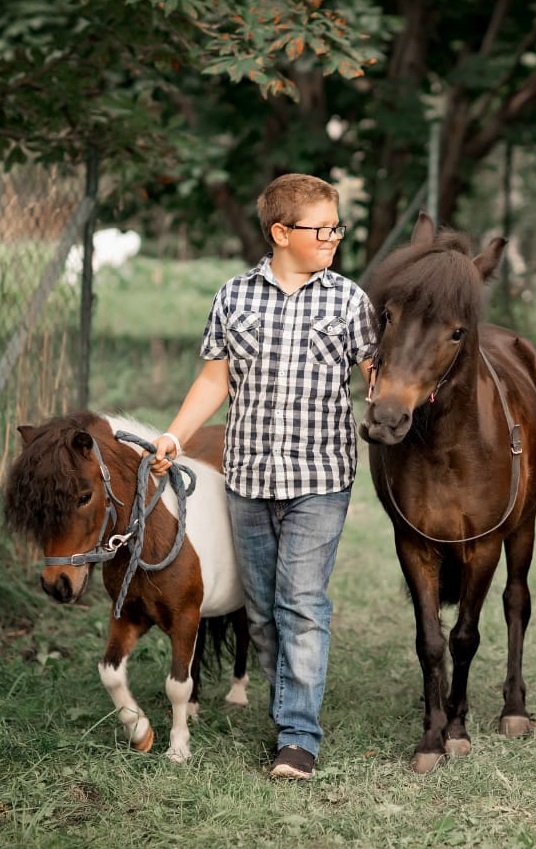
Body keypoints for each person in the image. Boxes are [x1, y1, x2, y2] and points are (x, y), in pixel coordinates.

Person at [150, 173, 377, 780]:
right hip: (247, 479)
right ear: (281, 232)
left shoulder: (350, 301)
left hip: (321, 477)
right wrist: (174, 433)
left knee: (301, 604)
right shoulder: (233, 296)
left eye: (337, 228)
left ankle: (298, 736)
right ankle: (285, 709)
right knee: (261, 613)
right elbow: (214, 379)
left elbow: (378, 373)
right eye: (320, 228)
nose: (332, 237)